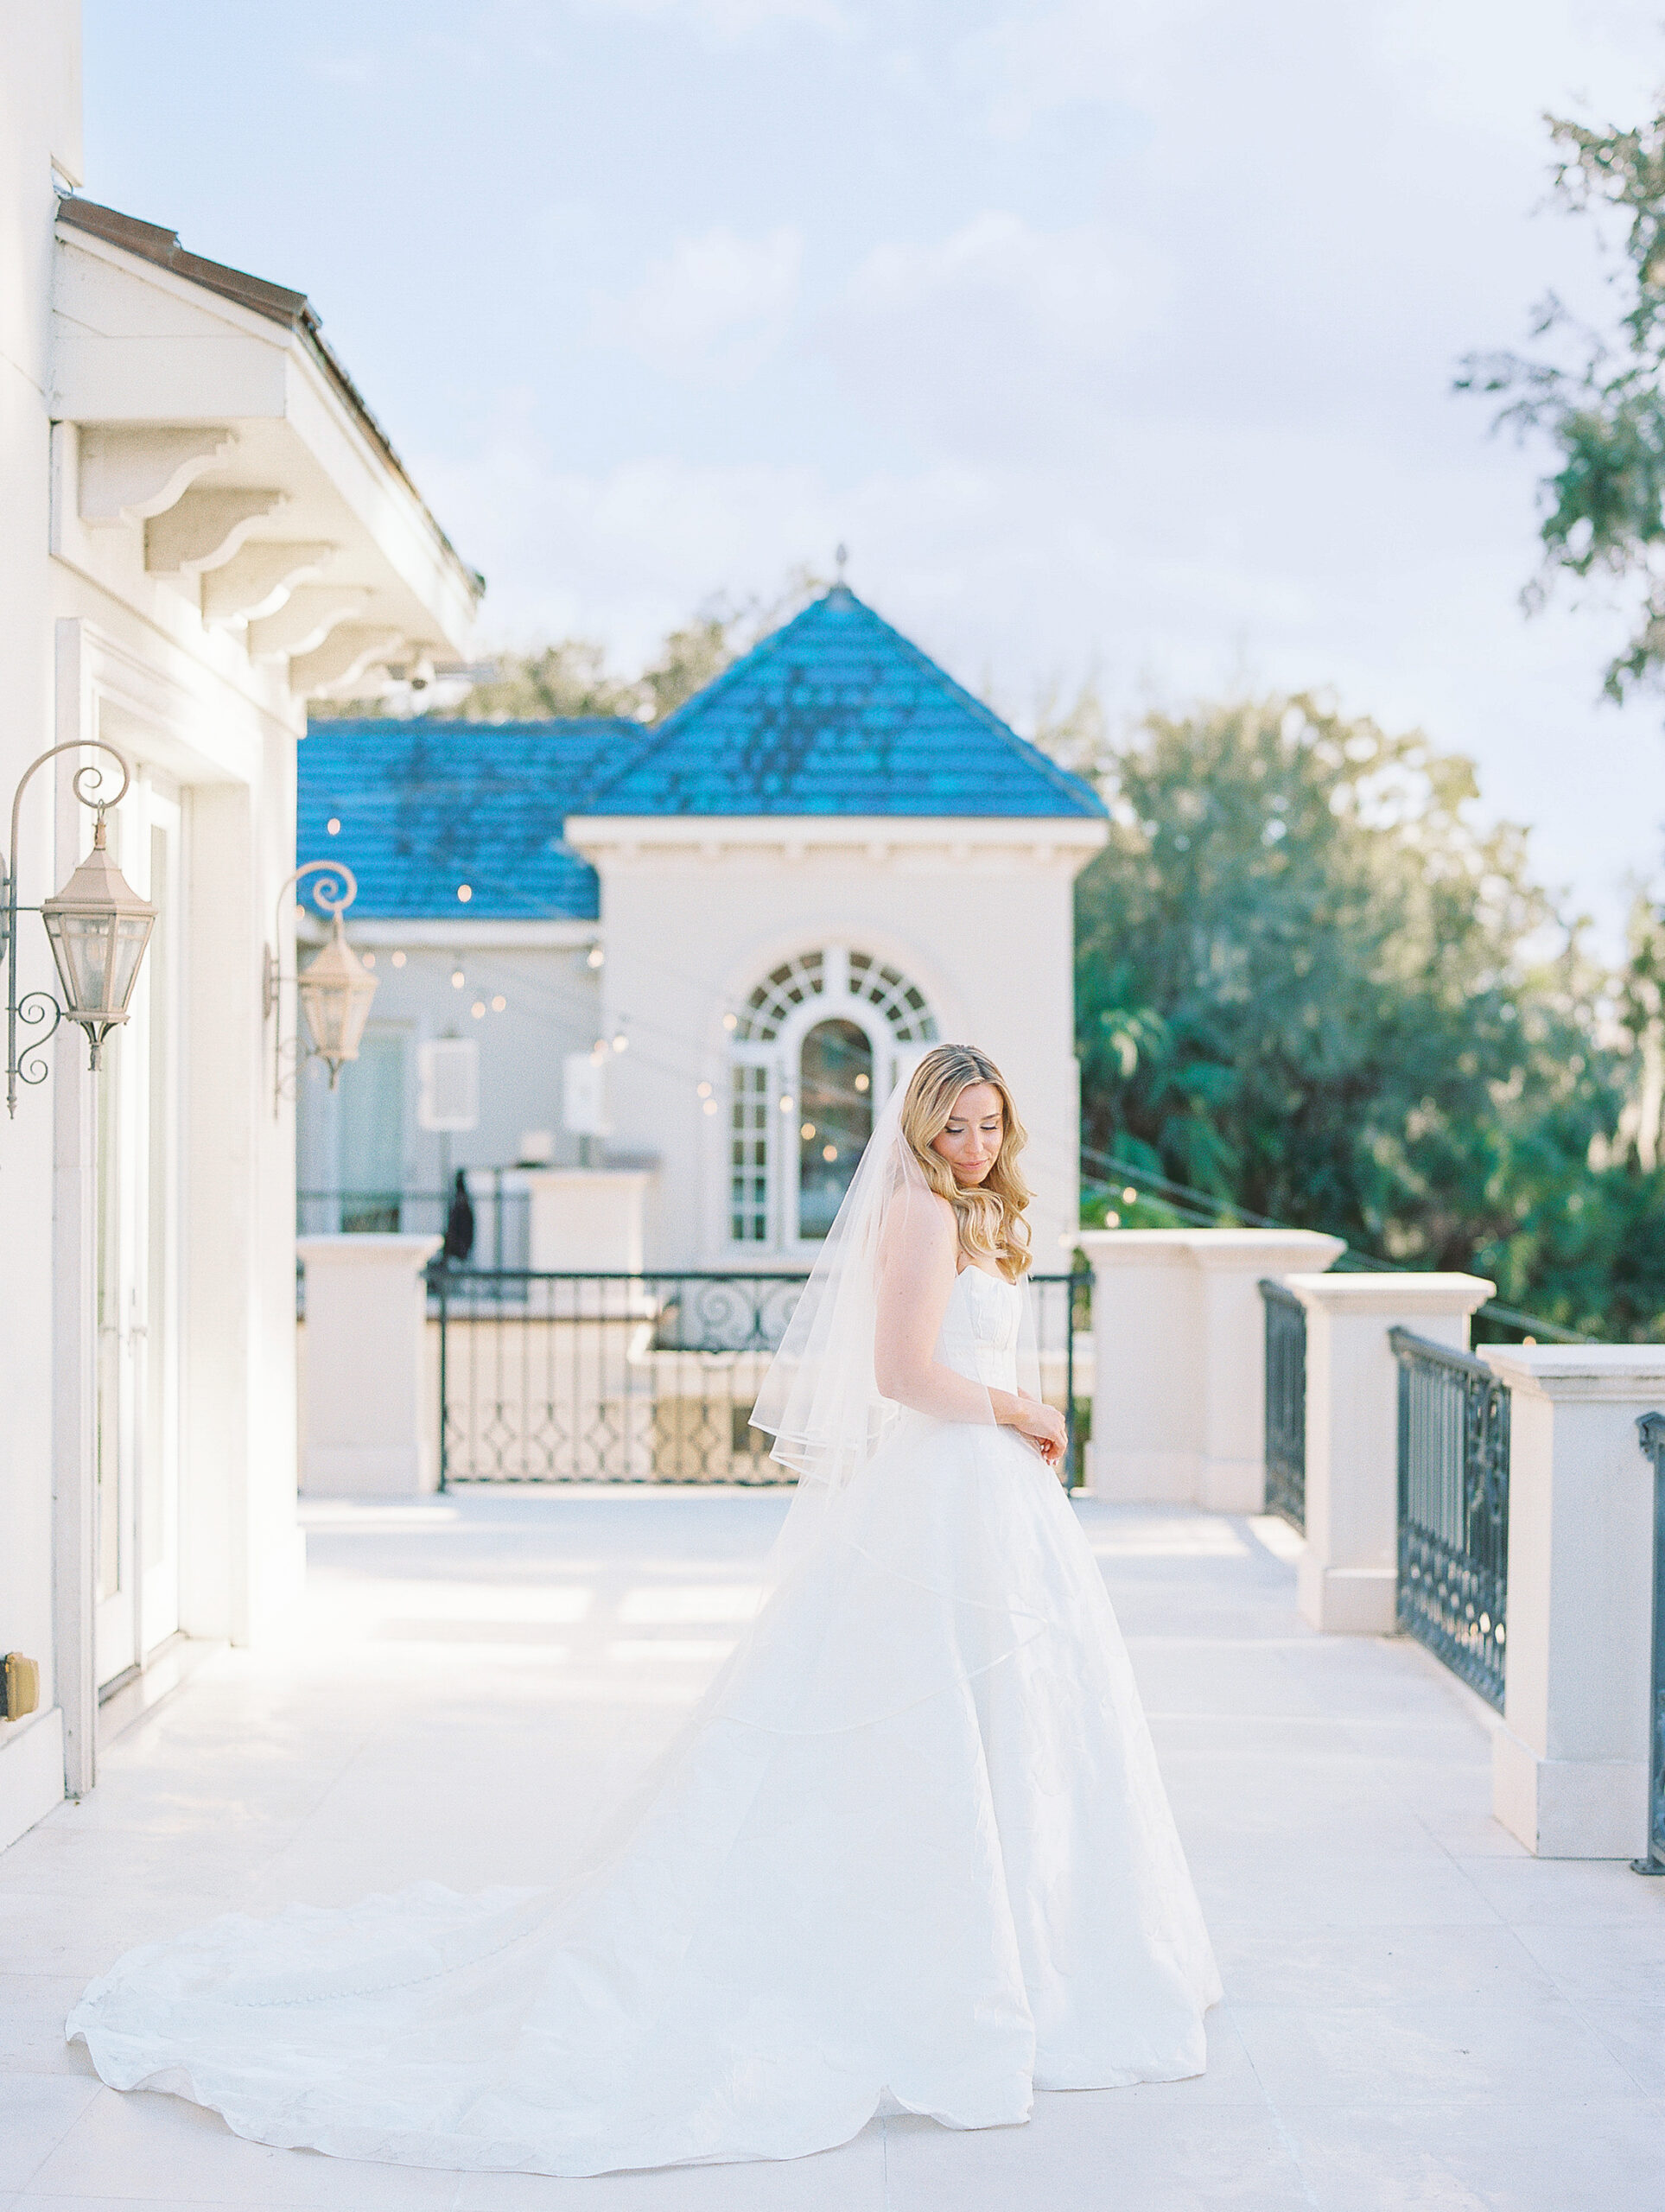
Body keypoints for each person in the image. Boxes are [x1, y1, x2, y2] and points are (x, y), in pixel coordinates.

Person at [67, 1044, 1220, 2177]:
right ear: (919, 1131)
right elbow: (901, 1375)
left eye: (988, 1125)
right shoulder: (921, 1213)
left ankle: (1030, 1953)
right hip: (949, 1492)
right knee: (926, 1726)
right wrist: (1020, 1405)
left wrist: (1015, 1422)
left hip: (993, 1505)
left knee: (1011, 1728)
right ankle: (952, 1971)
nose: (973, 1146)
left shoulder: (974, 1214)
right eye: (954, 1126)